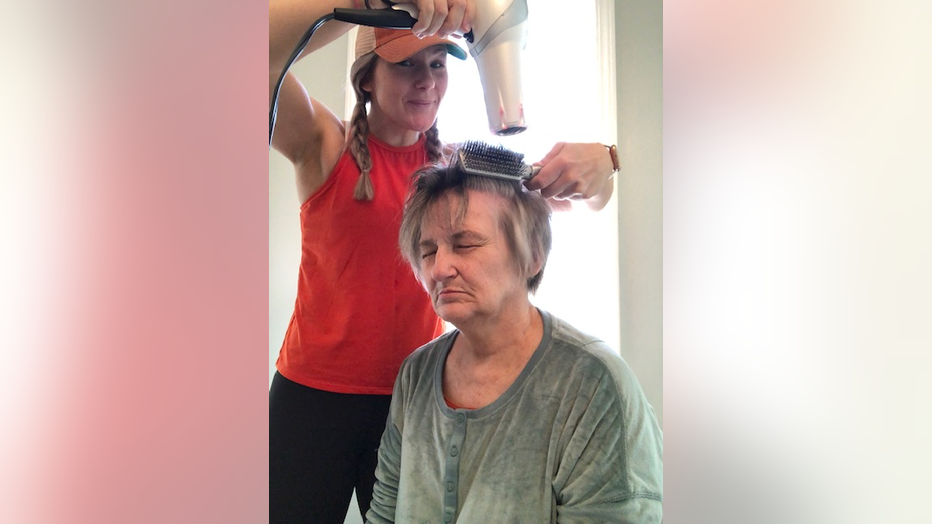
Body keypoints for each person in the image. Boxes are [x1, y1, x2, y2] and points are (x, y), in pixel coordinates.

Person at [269, 1, 622, 521]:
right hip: (312, 398)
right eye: (407, 63)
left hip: (415, 403)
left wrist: (605, 165)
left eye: (438, 63)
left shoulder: (456, 170)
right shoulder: (326, 144)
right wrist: (368, 5)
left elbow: (583, 200)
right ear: (367, 78)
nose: (427, 80)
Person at [365, 154, 663, 523]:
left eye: (466, 244)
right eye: (428, 251)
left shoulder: (592, 386)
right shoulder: (416, 375)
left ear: (532, 255)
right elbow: (383, 513)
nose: (439, 268)